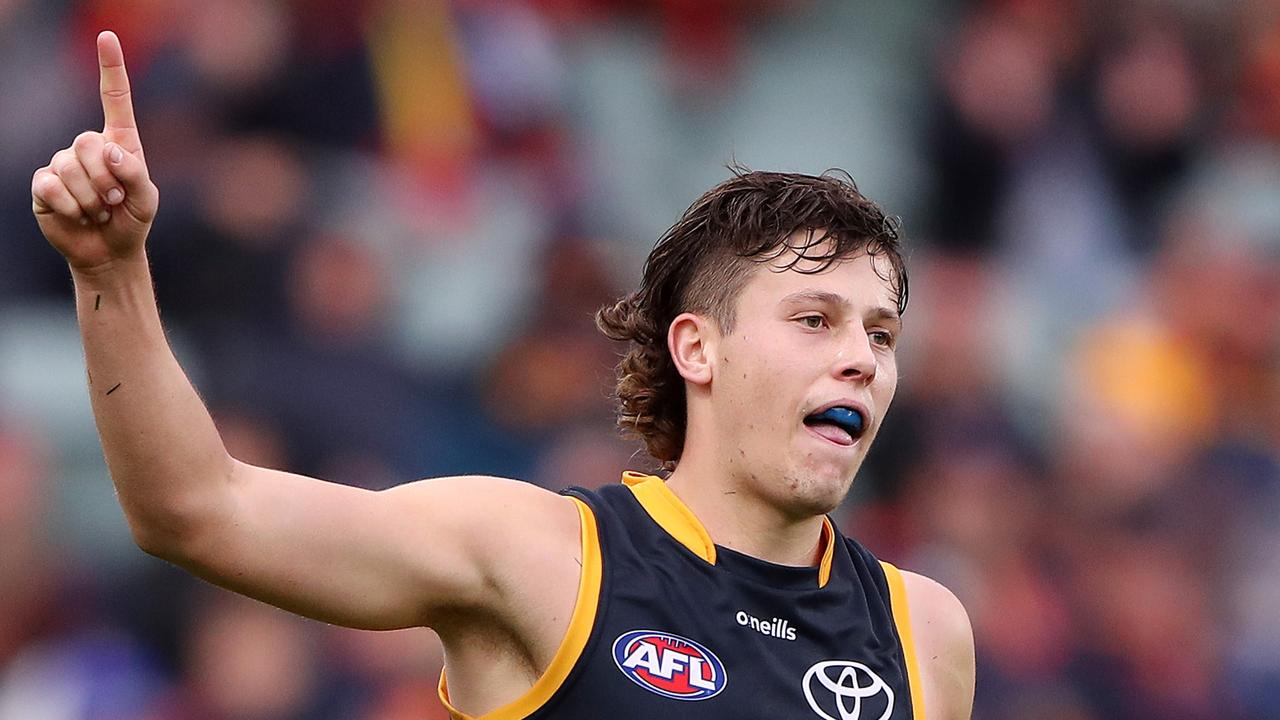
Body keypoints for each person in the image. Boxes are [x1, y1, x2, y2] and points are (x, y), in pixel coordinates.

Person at [31, 31, 975, 720]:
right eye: (815, 320)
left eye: (883, 334)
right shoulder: (540, 556)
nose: (861, 356)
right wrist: (110, 270)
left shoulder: (925, 631)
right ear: (699, 350)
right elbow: (196, 509)